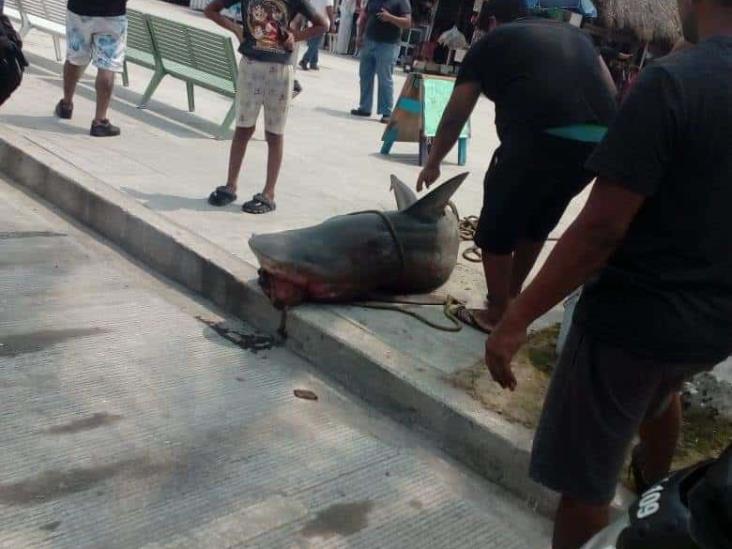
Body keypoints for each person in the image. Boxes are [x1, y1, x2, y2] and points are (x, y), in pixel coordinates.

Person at [484, 0, 732, 547]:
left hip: (632, 324)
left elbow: (600, 229)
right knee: (658, 392)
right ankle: (653, 485)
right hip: (712, 328)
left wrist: (515, 317)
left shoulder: (673, 82)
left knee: (584, 484)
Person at [416, 0, 617, 333]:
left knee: (496, 225)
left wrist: (434, 162)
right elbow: (608, 88)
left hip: (540, 135)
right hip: (598, 142)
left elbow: (455, 114)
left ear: (492, 22)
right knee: (538, 219)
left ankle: (497, 312)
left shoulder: (488, 45)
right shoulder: (574, 34)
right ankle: (511, 297)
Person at [205, 0, 327, 214]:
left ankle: (269, 192)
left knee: (274, 132)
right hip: (251, 64)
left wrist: (295, 37)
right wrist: (235, 28)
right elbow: (210, 9)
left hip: (280, 70)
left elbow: (323, 24)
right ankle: (230, 184)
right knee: (243, 127)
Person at [54, 0, 128, 137]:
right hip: (112, 11)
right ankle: (100, 121)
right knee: (107, 65)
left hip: (79, 9)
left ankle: (66, 104)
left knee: (74, 57)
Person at [350, 0, 411, 123]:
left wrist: (390, 18)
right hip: (369, 40)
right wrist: (359, 36)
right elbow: (364, 17)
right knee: (365, 75)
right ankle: (365, 107)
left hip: (388, 44)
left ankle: (387, 112)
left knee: (384, 78)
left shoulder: (402, 1)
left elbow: (407, 23)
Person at [299, 0, 334, 70]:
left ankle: (314, 62)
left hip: (312, 21)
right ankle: (305, 60)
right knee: (315, 44)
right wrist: (332, 23)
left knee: (314, 43)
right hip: (322, 23)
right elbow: (329, 10)